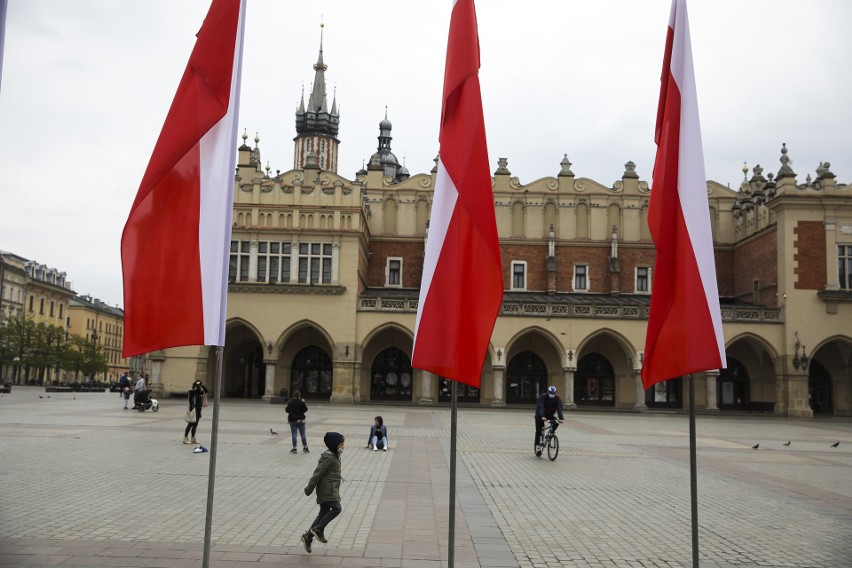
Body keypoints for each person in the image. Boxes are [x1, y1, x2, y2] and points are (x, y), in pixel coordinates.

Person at [301, 432, 345, 554]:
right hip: (327, 490)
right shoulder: (329, 457)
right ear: (333, 445)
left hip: (330, 488)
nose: (343, 446)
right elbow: (317, 473)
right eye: (341, 444)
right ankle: (318, 529)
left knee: (324, 512)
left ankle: (308, 537)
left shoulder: (334, 455)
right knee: (337, 508)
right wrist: (309, 489)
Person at [534, 385, 564, 457]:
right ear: (548, 392)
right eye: (551, 393)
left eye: (553, 393)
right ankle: (538, 446)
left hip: (550, 415)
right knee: (538, 431)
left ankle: (551, 432)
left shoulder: (557, 399)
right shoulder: (543, 397)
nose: (552, 395)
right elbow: (540, 406)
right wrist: (542, 416)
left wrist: (561, 418)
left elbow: (559, 407)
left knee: (556, 423)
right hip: (540, 415)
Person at [183, 380, 209, 444]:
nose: (198, 387)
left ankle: (193, 438)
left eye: (199, 386)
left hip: (198, 410)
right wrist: (197, 384)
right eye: (197, 386)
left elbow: (206, 391)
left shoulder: (199, 392)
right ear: (194, 386)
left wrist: (202, 384)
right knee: (190, 424)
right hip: (193, 410)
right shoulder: (191, 392)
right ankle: (185, 438)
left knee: (195, 425)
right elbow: (191, 400)